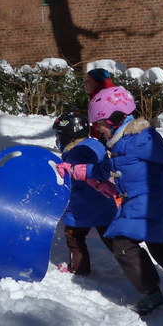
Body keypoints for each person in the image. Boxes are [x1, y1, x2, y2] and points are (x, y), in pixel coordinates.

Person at [58, 86, 163, 316]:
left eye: (101, 125)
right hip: (140, 204)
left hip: (149, 204)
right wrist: (74, 169)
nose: (99, 131)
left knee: (124, 245)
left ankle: (156, 293)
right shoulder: (120, 145)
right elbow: (102, 169)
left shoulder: (141, 140)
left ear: (114, 119)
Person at [52, 110, 117, 275]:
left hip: (83, 205)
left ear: (69, 135)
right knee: (113, 239)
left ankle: (79, 268)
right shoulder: (93, 144)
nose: (57, 139)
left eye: (60, 135)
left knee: (73, 235)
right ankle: (137, 265)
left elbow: (77, 175)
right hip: (103, 202)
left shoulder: (75, 153)